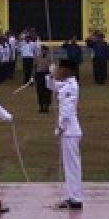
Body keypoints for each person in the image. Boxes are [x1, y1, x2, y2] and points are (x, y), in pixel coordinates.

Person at [47, 59, 83, 209]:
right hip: (68, 131)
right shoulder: (66, 84)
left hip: (69, 130)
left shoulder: (70, 86)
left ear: (69, 71)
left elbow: (67, 110)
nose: (59, 71)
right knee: (69, 166)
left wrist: (60, 127)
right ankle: (71, 196)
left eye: (61, 69)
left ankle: (75, 199)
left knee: (72, 166)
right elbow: (51, 86)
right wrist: (50, 74)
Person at [33, 43, 53, 113]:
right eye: (42, 50)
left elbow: (52, 68)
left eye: (45, 50)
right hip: (39, 75)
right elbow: (35, 67)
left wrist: (51, 75)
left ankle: (46, 106)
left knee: (47, 91)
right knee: (40, 91)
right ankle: (41, 106)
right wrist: (34, 76)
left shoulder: (50, 58)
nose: (43, 51)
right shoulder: (37, 57)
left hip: (47, 75)